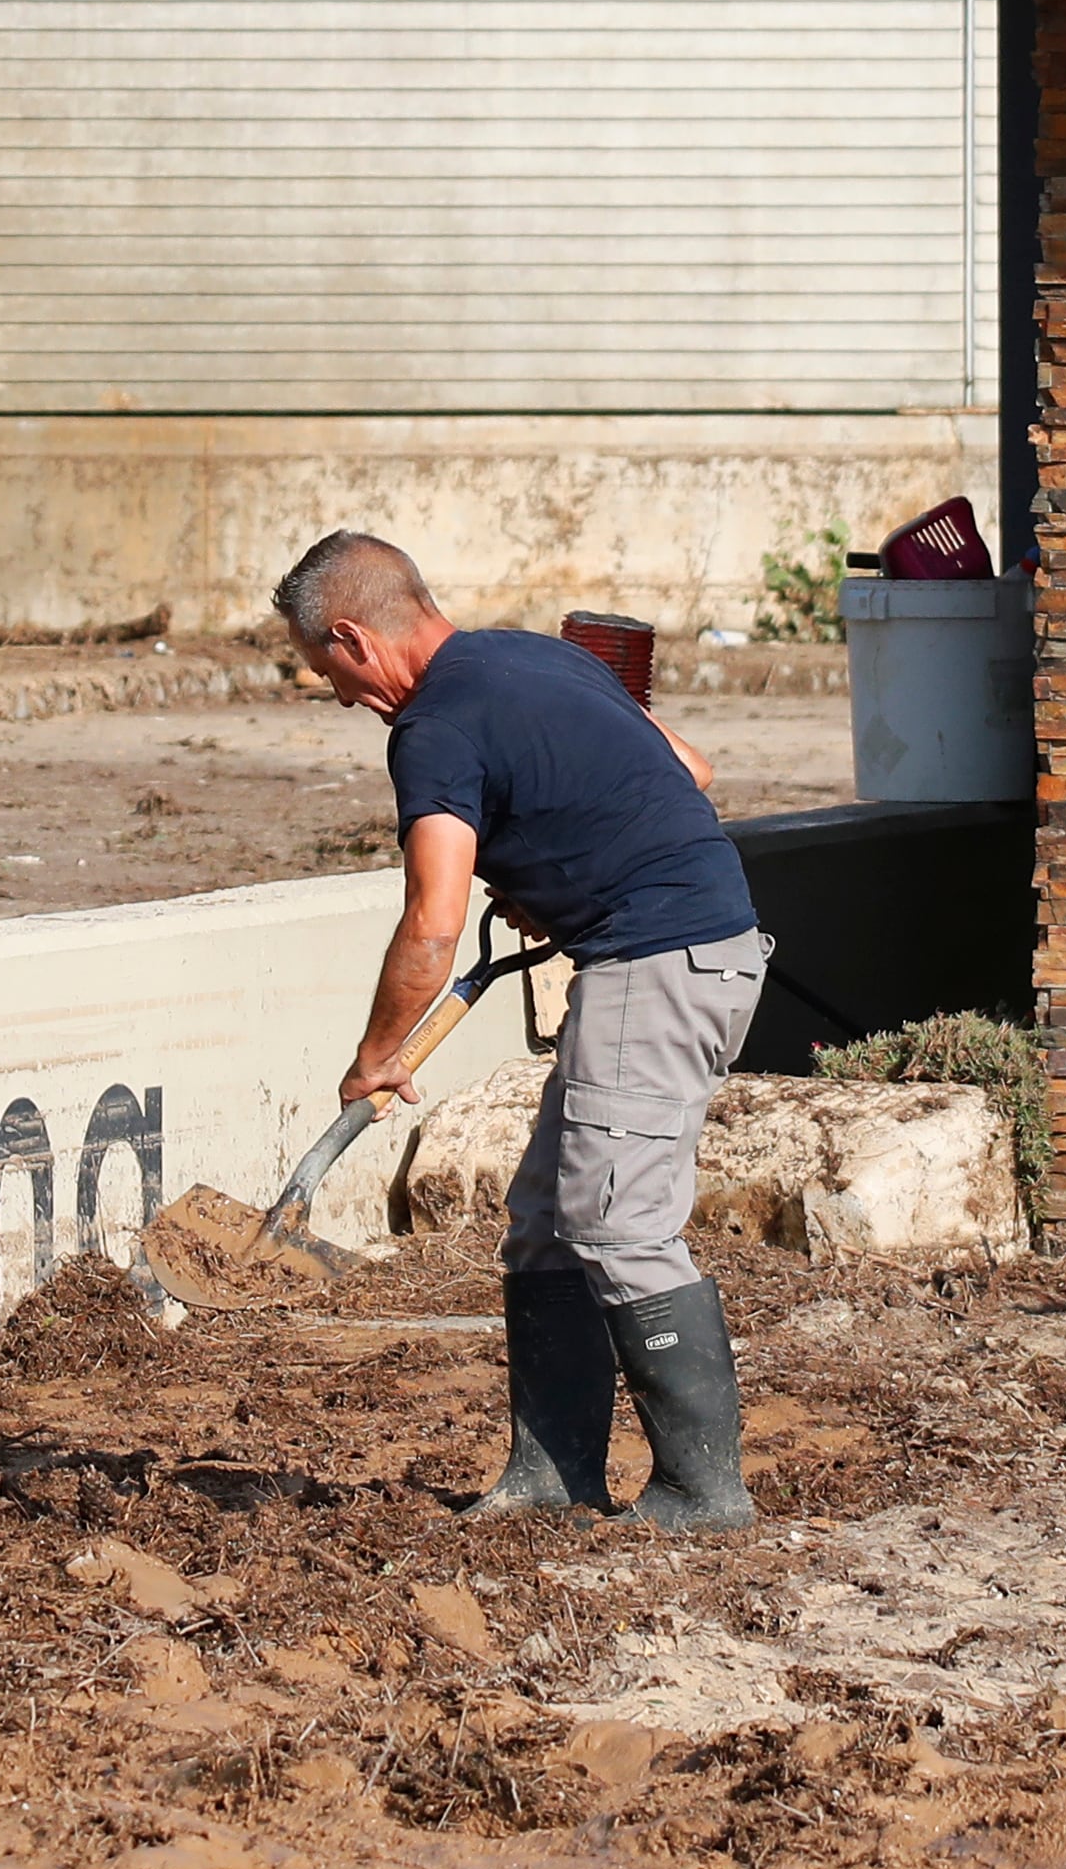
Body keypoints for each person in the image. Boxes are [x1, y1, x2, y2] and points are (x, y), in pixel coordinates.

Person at [272, 529, 768, 1531]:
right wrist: (565, 862)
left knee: (616, 1223)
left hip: (658, 962)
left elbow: (433, 919)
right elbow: (690, 767)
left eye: (327, 670)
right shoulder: (533, 656)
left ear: (357, 641)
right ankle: (550, 1475)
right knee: (544, 1220)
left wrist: (376, 1056)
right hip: (680, 948)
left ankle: (702, 1493)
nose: (336, 696)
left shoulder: (433, 728)